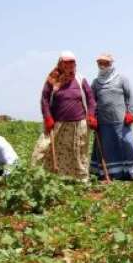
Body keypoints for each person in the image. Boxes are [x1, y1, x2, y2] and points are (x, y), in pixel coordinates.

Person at [34, 51, 97, 180]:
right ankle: (51, 177)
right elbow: (45, 99)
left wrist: (91, 115)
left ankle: (80, 179)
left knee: (78, 152)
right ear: (60, 63)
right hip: (58, 123)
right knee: (46, 149)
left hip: (79, 124)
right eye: (66, 62)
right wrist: (47, 117)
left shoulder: (80, 79)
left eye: (72, 62)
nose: (69, 65)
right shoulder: (52, 79)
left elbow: (90, 98)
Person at [89, 53, 133, 180]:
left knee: (128, 142)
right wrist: (92, 117)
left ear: (111, 64)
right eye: (100, 63)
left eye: (105, 63)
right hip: (104, 122)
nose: (103, 65)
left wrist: (130, 112)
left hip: (122, 120)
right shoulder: (96, 82)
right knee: (108, 148)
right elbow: (92, 101)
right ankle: (113, 173)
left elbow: (130, 96)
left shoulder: (121, 79)